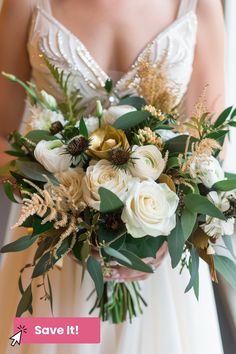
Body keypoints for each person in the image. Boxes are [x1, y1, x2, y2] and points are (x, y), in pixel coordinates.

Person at [0, 0, 225, 353]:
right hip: (55, 249)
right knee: (41, 339)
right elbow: (3, 135)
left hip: (159, 259)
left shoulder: (200, 4)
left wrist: (169, 233)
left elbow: (210, 140)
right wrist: (65, 217)